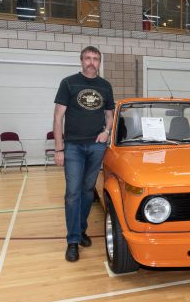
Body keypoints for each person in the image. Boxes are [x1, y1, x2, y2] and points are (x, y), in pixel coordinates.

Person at [53, 46, 115, 262]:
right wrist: (59, 147)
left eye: (95, 59)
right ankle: (72, 241)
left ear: (99, 62)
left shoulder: (105, 86)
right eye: (87, 58)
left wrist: (106, 132)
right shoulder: (68, 83)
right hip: (73, 147)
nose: (91, 62)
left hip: (96, 146)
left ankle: (81, 231)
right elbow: (58, 117)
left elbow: (110, 116)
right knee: (73, 193)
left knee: (88, 191)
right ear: (81, 61)